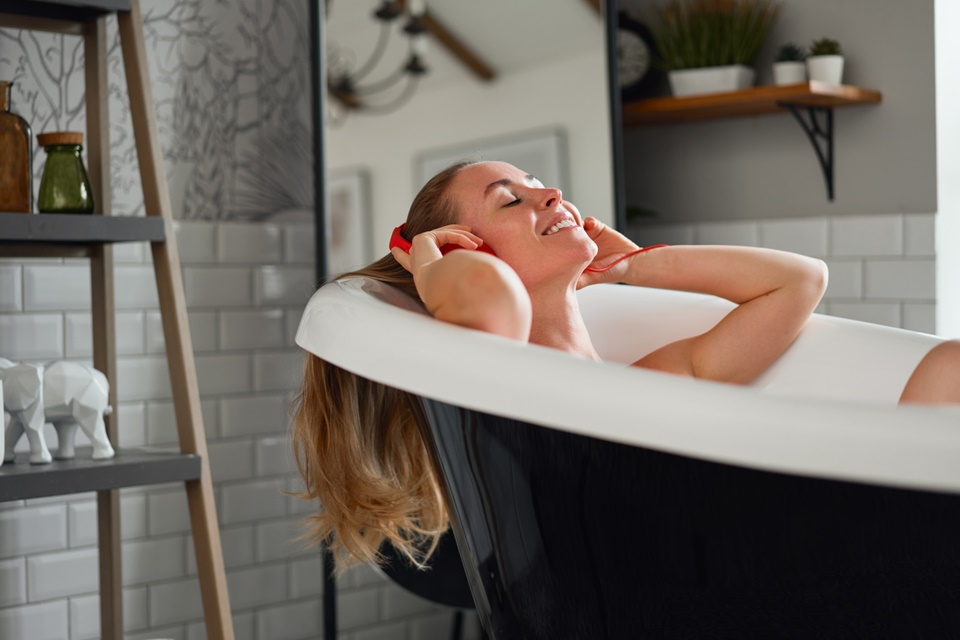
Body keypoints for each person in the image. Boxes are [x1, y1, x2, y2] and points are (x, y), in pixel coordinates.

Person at [292, 160, 960, 571]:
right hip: (718, 576)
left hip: (785, 551)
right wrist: (435, 262)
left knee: (950, 369)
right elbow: (488, 304)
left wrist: (633, 265)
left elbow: (800, 283)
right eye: (510, 200)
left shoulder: (650, 379)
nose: (549, 192)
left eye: (536, 184)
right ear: (474, 255)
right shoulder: (503, 377)